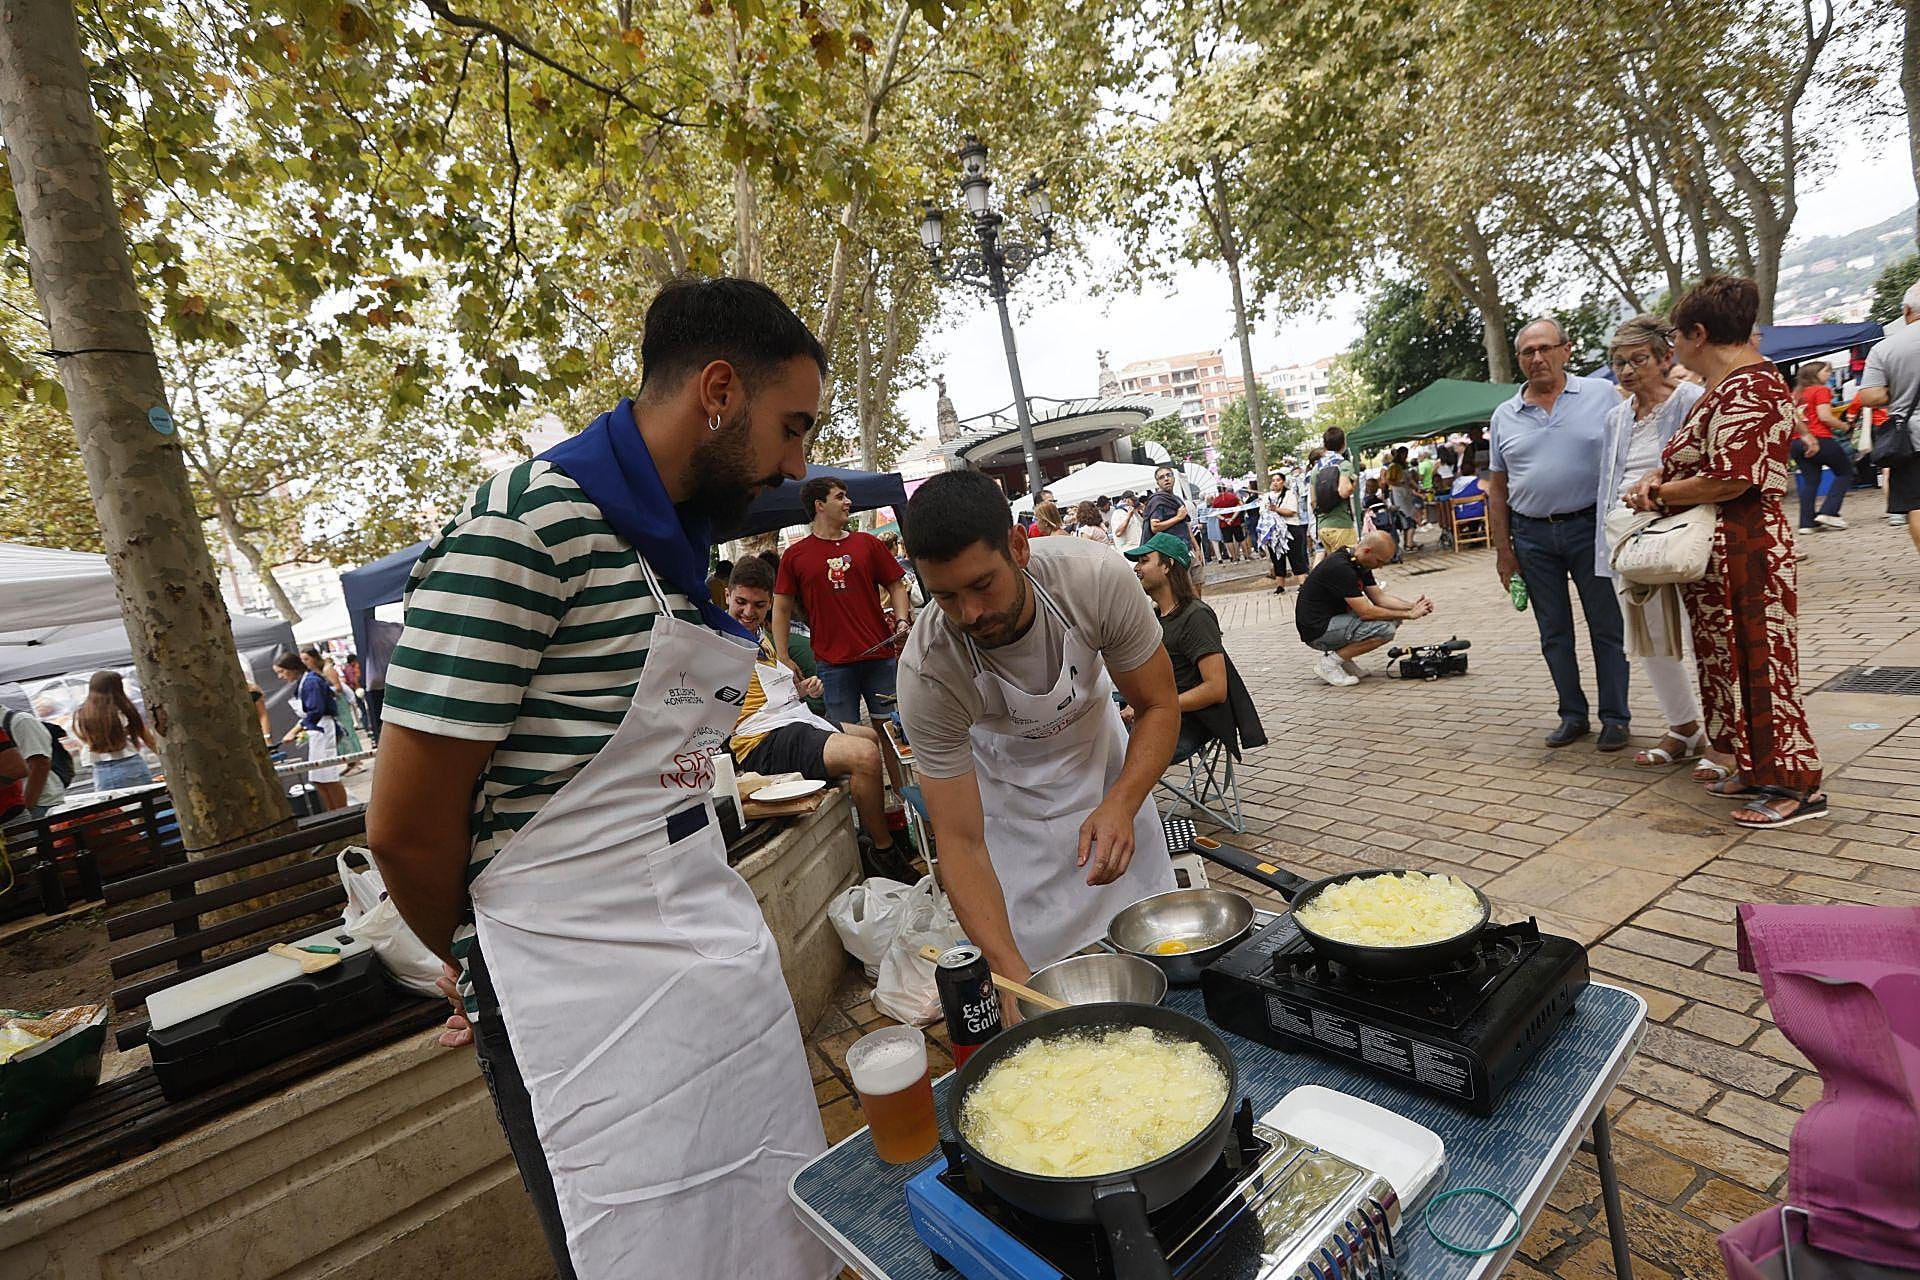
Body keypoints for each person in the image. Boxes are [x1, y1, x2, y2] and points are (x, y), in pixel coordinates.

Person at [365, 277, 836, 1280]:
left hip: (712, 975)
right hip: (579, 1003)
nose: (798, 465)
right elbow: (404, 827)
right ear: (719, 391)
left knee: (770, 1233)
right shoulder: (523, 529)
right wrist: (484, 958)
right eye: (792, 428)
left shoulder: (670, 554)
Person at [896, 470, 1180, 996]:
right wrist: (1006, 972)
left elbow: (1158, 705)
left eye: (983, 585)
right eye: (945, 597)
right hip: (1011, 810)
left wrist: (1122, 802)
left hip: (1107, 771)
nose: (970, 613)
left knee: (1153, 953)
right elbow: (958, 840)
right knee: (1038, 977)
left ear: (1018, 546)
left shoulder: (1093, 579)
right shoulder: (928, 671)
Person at [1624, 276, 1825, 828]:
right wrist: (1659, 476)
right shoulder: (1725, 387)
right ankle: (1755, 768)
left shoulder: (1751, 387)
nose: (1673, 346)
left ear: (1698, 334)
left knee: (1763, 664)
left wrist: (1659, 494)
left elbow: (1731, 478)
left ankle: (1796, 784)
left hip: (1748, 548)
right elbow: (1699, 459)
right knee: (1728, 663)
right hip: (1720, 551)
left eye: (1675, 334)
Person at [1486, 317, 1632, 751]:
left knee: (1607, 626)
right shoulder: (1504, 415)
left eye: (1545, 348)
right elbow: (1498, 488)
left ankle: (1615, 718)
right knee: (1553, 631)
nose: (1537, 358)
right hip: (1532, 535)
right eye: (1528, 352)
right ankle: (1572, 715)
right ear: (1519, 360)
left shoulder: (1601, 394)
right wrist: (1504, 551)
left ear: (1566, 350)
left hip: (1591, 528)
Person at [724, 558, 913, 882]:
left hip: (789, 721)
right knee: (865, 755)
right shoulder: (718, 639)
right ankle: (884, 852)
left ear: (769, 604)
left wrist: (800, 689)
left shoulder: (760, 637)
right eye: (741, 602)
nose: (748, 612)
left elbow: (765, 692)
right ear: (727, 595)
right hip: (760, 742)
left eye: (758, 605)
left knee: (870, 737)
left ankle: (865, 835)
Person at [1598, 314, 1706, 769]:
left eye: (1637, 359)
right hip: (1629, 536)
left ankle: (1724, 734)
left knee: (1702, 634)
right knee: (1649, 635)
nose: (1627, 371)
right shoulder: (1616, 417)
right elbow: (1608, 481)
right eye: (1619, 362)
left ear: (1665, 358)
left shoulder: (1692, 400)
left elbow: (1706, 463)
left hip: (1683, 528)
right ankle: (1684, 727)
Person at [774, 476, 911, 731]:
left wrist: (902, 620)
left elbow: (897, 584)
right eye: (839, 497)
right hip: (832, 664)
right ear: (819, 505)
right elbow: (781, 607)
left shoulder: (867, 543)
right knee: (848, 737)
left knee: (893, 731)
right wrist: (783, 656)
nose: (848, 502)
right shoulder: (794, 555)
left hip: (879, 656)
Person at [1123, 534, 1226, 759]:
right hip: (1159, 712)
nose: (1137, 568)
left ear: (1167, 566)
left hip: (1187, 722)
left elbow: (1216, 688)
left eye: (1144, 561)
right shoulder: (1155, 616)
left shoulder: (1196, 616)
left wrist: (1151, 708)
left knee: (1106, 750)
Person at [1295, 531, 1434, 686]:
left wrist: (1413, 606)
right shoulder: (1341, 567)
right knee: (1384, 629)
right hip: (1317, 631)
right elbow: (1366, 612)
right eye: (1379, 561)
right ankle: (1329, 665)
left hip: (1333, 622)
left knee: (1393, 618)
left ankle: (1343, 660)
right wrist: (1409, 614)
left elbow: (1380, 598)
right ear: (1367, 551)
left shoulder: (1360, 563)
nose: (1380, 566)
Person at [1855, 279, 1920, 555]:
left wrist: (1897, 389)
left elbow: (1869, 397)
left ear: (1906, 310)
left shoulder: (1885, 348)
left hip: (1912, 439)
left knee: (1917, 505)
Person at [276, 651, 348, 811]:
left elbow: (316, 711)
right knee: (318, 779)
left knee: (328, 777)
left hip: (323, 730)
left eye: (282, 671)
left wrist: (295, 731)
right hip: (316, 731)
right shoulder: (303, 683)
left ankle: (343, 811)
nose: (280, 676)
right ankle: (333, 812)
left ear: (292, 668)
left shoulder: (312, 682)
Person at [1789, 361, 1853, 534]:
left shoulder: (1795, 394)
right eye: (1826, 371)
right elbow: (1824, 416)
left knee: (1810, 481)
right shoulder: (1821, 390)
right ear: (1815, 374)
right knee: (1845, 471)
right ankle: (1829, 511)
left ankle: (1806, 522)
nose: (1829, 375)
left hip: (1797, 441)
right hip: (1820, 438)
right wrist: (1844, 426)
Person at [71, 670, 159, 792]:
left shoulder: (82, 715)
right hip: (133, 764)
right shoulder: (123, 710)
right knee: (147, 801)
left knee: (117, 804)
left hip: (103, 771)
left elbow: (81, 741)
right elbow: (148, 738)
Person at [0, 704, 66, 819]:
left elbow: (41, 763)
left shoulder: (21, 721)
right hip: (23, 805)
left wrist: (27, 806)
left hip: (40, 804)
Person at [1311, 426, 1360, 554]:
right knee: (1349, 562)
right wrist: (1354, 484)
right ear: (1343, 444)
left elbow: (1313, 501)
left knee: (1335, 563)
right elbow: (1344, 491)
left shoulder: (1317, 468)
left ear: (1324, 445)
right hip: (1341, 525)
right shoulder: (1343, 465)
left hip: (1323, 527)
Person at [1210, 483, 1247, 562]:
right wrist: (1232, 518)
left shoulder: (1216, 500)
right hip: (1236, 522)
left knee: (1229, 541)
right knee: (1241, 539)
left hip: (1224, 524)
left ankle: (1234, 558)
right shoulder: (1233, 496)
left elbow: (1215, 513)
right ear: (1225, 488)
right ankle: (1246, 556)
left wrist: (1224, 519)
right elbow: (1240, 506)